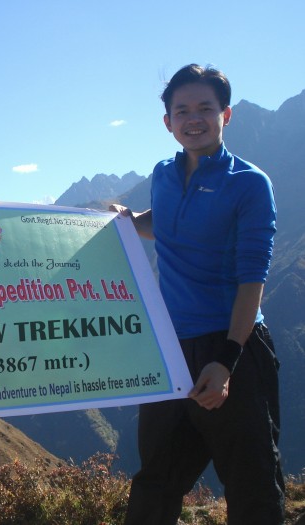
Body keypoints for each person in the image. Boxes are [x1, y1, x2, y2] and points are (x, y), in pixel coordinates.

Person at [110, 64, 284, 524]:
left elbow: (253, 279)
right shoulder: (163, 174)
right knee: (156, 479)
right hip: (170, 350)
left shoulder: (249, 183)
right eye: (182, 110)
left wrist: (226, 361)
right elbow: (164, 222)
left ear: (225, 114)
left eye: (205, 108)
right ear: (167, 121)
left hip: (233, 346)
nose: (194, 119)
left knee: (251, 484)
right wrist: (129, 221)